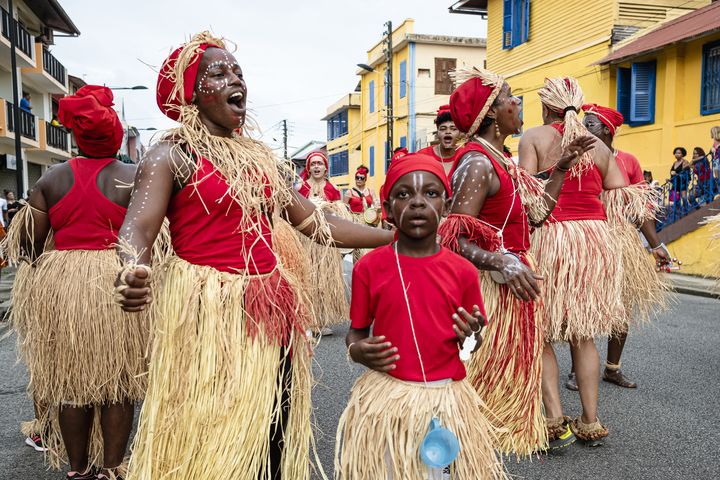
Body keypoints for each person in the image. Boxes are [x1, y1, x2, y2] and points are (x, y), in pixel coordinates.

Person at [114, 32, 393, 480]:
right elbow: (138, 227)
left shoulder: (261, 159)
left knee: (273, 422)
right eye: (218, 73)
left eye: (238, 72)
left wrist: (389, 237)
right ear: (191, 91)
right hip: (209, 312)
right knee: (211, 425)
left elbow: (317, 225)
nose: (234, 79)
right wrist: (133, 268)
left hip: (270, 306)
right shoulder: (171, 154)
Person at [437, 66, 593, 456]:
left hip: (511, 286)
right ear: (491, 112)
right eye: (510, 97)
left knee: (501, 386)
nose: (518, 102)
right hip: (487, 292)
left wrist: (560, 168)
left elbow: (537, 214)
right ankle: (454, 452)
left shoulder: (500, 159)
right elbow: (451, 239)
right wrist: (499, 262)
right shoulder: (477, 163)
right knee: (475, 384)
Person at [3, 85, 147, 480]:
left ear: (77, 137)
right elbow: (151, 235)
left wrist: (55, 270)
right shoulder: (133, 176)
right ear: (115, 134)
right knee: (118, 384)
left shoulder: (51, 179)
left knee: (73, 383)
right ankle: (113, 468)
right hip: (119, 282)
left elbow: (29, 247)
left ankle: (79, 470)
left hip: (65, 289)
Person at [336, 153, 505, 479]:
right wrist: (357, 351)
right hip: (387, 399)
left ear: (446, 204)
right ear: (387, 208)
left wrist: (470, 337)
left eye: (430, 193)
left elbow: (471, 347)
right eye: (403, 195)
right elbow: (356, 334)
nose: (417, 203)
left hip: (444, 400)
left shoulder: (464, 272)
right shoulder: (368, 268)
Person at [518, 77, 628, 447]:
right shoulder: (599, 145)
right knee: (583, 334)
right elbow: (618, 188)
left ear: (546, 106)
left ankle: (553, 419)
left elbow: (529, 191)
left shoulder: (533, 137)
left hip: (552, 238)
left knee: (544, 331)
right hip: (594, 241)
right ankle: (590, 420)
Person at [562, 104, 670, 392]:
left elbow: (639, 209)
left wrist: (656, 245)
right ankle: (577, 369)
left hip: (622, 241)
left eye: (591, 125)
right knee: (584, 305)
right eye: (584, 124)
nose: (584, 128)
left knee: (622, 307)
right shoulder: (579, 157)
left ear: (608, 130)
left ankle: (612, 369)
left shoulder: (629, 161)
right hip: (590, 239)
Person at [297, 150, 352, 335]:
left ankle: (319, 321)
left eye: (320, 163)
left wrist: (329, 208)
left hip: (325, 243)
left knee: (323, 282)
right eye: (313, 164)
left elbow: (339, 214)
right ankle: (307, 321)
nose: (316, 167)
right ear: (308, 168)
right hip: (307, 241)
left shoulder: (332, 189)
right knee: (307, 279)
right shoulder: (302, 188)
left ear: (325, 168)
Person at [417, 104, 462, 176]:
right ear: (437, 133)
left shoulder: (465, 156)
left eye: (453, 129)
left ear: (460, 133)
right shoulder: (422, 155)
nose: (448, 132)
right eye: (443, 129)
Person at [669, 147, 691, 213]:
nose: (677, 154)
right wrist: (669, 179)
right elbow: (672, 173)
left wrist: (676, 174)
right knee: (676, 199)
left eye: (679, 153)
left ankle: (687, 210)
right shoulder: (674, 163)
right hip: (675, 183)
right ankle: (679, 212)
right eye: (676, 153)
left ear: (682, 154)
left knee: (684, 198)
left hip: (682, 182)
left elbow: (687, 174)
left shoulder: (685, 162)